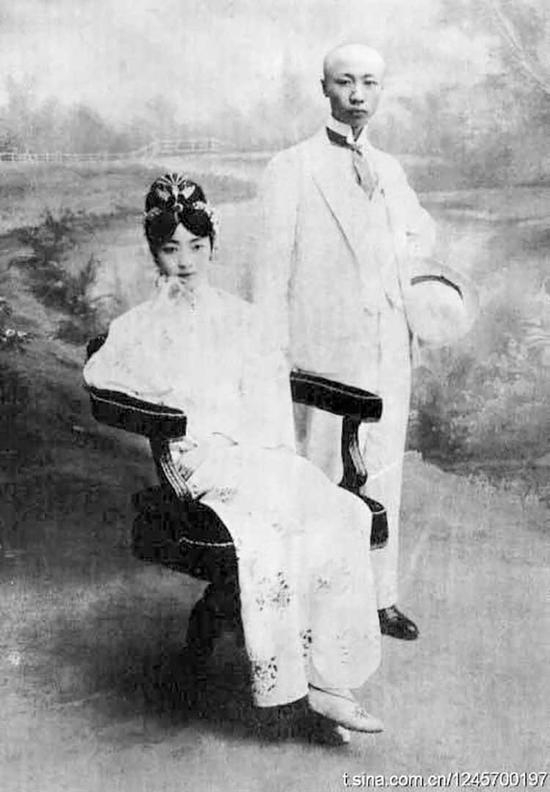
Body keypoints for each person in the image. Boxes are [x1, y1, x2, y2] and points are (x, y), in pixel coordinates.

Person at [83, 173, 383, 740]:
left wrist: (264, 450)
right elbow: (102, 378)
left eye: (197, 247)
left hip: (254, 454)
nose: (185, 261)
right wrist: (160, 356)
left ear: (212, 246)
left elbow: (268, 392)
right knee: (273, 525)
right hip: (199, 464)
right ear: (154, 252)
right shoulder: (141, 326)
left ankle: (327, 677)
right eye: (170, 249)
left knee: (340, 511)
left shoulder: (243, 318)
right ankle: (298, 686)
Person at [252, 43, 437, 641]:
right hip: (325, 354)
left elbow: (420, 236)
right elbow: (269, 276)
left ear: (381, 90)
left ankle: (380, 598)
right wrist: (273, 359)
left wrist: (402, 269)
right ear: (325, 88)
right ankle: (316, 604)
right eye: (345, 82)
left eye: (370, 83)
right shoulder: (292, 167)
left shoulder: (390, 169)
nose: (358, 94)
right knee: (324, 471)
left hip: (387, 345)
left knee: (383, 471)